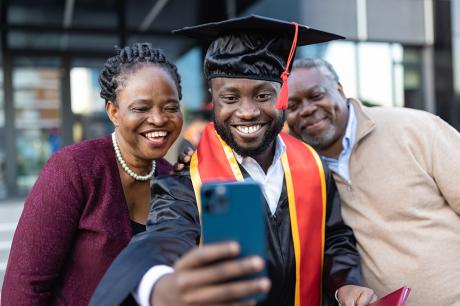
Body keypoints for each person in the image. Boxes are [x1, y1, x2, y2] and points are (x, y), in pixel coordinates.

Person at [90, 16, 377, 306]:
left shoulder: (313, 166)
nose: (248, 111)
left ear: (282, 97)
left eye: (263, 95)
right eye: (230, 98)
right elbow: (164, 240)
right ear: (213, 101)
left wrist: (347, 284)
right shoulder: (187, 181)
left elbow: (336, 239)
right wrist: (160, 286)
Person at [1, 42, 183, 306]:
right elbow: (25, 287)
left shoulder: (173, 180)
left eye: (170, 107)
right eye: (141, 108)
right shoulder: (74, 169)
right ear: (113, 112)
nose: (158, 119)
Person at [285, 58, 460, 306]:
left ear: (340, 90)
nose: (306, 109)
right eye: (293, 105)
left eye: (316, 95)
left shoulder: (414, 128)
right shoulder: (295, 172)